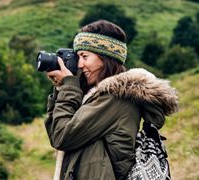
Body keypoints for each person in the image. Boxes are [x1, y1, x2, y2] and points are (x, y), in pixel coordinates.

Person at [45, 20, 178, 180]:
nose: (79, 64)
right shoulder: (98, 96)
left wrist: (68, 87)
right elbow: (56, 135)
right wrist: (62, 87)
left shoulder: (115, 98)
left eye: (85, 56)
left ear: (105, 57)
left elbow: (62, 137)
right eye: (77, 56)